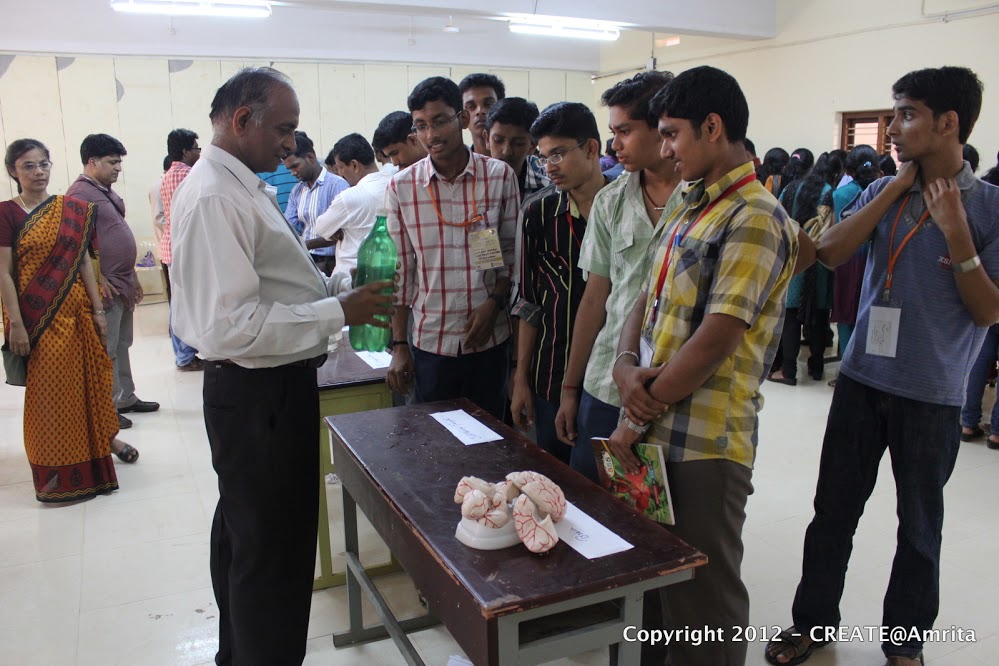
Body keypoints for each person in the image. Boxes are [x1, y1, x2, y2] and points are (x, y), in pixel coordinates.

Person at [767, 66, 999, 666]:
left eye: (907, 114)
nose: (892, 128)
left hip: (933, 395)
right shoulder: (881, 191)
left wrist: (957, 237)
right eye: (892, 114)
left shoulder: (991, 208)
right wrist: (896, 190)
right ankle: (812, 625)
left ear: (948, 123)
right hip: (862, 381)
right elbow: (828, 253)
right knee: (832, 514)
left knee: (919, 531)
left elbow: (987, 311)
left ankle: (905, 644)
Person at [168, 67, 395, 666]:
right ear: (242, 120)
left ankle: (240, 654)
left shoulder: (240, 184)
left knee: (248, 536)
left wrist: (341, 289)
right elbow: (230, 326)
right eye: (284, 129)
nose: (290, 144)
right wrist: (336, 311)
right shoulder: (217, 193)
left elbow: (278, 282)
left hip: (266, 389)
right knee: (273, 550)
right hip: (258, 393)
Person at [608, 65, 802, 666]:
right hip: (654, 430)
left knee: (704, 612)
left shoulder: (757, 216)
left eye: (671, 134)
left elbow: (717, 337)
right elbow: (648, 293)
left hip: (703, 448)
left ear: (713, 127)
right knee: (660, 597)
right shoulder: (690, 201)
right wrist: (621, 364)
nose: (663, 149)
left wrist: (639, 408)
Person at [552, 70, 681, 482]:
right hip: (606, 385)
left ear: (662, 126)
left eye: (625, 131)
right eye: (613, 131)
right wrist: (571, 390)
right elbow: (595, 300)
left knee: (659, 528)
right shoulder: (611, 202)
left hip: (674, 390)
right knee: (594, 508)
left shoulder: (702, 199)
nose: (615, 145)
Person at [1, 139, 139, 502]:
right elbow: (4, 272)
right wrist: (15, 323)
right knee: (50, 397)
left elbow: (82, 263)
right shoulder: (7, 214)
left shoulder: (70, 210)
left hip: (78, 314)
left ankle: (94, 463)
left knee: (89, 389)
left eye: (43, 164)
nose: (38, 172)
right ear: (13, 171)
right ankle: (56, 474)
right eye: (28, 166)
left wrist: (97, 311)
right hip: (39, 321)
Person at [385, 76, 519, 419]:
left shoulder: (500, 177)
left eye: (440, 121)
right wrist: (400, 345)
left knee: (492, 440)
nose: (431, 135)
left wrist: (493, 303)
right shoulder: (402, 188)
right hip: (432, 343)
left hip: (490, 339)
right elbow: (402, 271)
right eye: (421, 126)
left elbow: (512, 257)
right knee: (437, 444)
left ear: (460, 119)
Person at [510, 102, 610, 464]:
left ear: (591, 148)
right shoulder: (538, 213)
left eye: (558, 154)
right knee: (554, 483)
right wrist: (521, 378)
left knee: (602, 492)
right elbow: (528, 302)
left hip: (610, 379)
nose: (549, 167)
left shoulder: (625, 209)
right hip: (550, 374)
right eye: (542, 158)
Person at [66, 134, 159, 428]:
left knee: (122, 344)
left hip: (122, 281)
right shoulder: (79, 194)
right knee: (106, 350)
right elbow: (74, 244)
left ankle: (125, 397)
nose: (119, 167)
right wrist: (98, 276)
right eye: (112, 162)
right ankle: (106, 409)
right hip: (105, 286)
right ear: (92, 162)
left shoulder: (101, 189)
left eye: (119, 162)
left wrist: (132, 277)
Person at [768, 154, 840, 384]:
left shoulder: (789, 189)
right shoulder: (829, 191)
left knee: (789, 317)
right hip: (819, 263)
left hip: (794, 260)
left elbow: (777, 220)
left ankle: (787, 371)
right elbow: (831, 228)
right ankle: (816, 367)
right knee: (819, 316)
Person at [829, 145, 882, 363]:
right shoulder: (883, 192)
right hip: (877, 259)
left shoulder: (840, 194)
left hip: (847, 259)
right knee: (871, 313)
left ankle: (847, 367)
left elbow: (835, 227)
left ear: (849, 169)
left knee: (845, 313)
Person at [315, 132, 392, 275]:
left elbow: (320, 227)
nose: (339, 173)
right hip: (386, 271)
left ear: (355, 165)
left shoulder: (349, 197)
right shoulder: (394, 184)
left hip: (352, 277)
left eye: (340, 167)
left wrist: (335, 229)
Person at [160, 128, 203, 372]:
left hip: (172, 247)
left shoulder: (169, 173)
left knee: (180, 303)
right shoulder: (185, 174)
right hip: (182, 248)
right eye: (196, 148)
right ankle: (185, 356)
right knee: (185, 305)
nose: (199, 152)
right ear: (186, 151)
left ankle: (185, 354)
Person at [282, 130, 349, 276]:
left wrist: (306, 244)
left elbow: (342, 232)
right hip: (307, 261)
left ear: (310, 157)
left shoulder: (337, 185)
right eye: (289, 169)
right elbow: (289, 227)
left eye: (295, 166)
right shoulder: (296, 191)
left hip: (334, 262)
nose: (292, 173)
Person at [485, 97, 550, 202]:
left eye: (518, 143)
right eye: (498, 140)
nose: (507, 151)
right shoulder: (472, 187)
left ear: (532, 145)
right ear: (487, 139)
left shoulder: (548, 192)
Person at [459, 72, 505, 156]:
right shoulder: (457, 166)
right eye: (471, 106)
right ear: (463, 117)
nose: (480, 111)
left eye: (489, 104)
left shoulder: (526, 165)